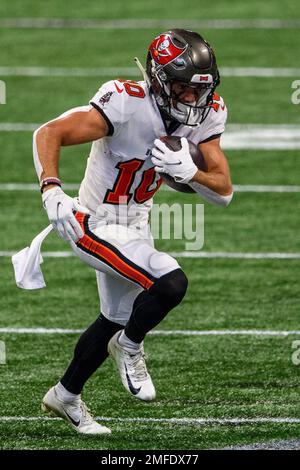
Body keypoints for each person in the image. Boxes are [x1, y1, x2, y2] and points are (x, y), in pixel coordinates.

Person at [34, 29, 233, 435]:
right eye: (183, 88)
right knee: (170, 282)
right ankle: (129, 346)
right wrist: (51, 189)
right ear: (159, 80)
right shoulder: (126, 102)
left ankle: (66, 395)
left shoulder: (208, 112)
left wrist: (193, 174)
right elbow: (47, 133)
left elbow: (223, 192)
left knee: (113, 317)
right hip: (90, 221)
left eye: (201, 89)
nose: (194, 100)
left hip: (135, 224)